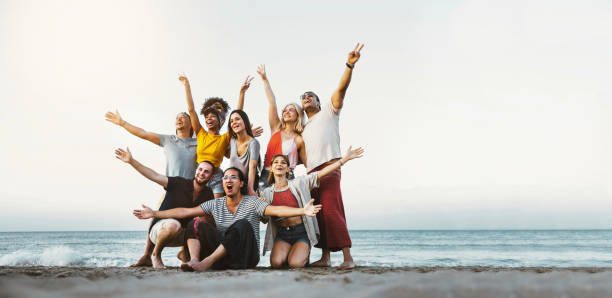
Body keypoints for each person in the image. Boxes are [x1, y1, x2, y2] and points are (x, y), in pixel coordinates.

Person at [133, 167, 321, 272]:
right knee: (195, 221)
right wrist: (155, 214)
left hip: (246, 257)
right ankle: (196, 260)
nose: (228, 180)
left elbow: (276, 210)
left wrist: (303, 211)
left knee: (242, 224)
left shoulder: (252, 202)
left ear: (240, 183)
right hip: (224, 258)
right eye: (225, 178)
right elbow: (185, 211)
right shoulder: (216, 203)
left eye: (233, 177)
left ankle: (206, 263)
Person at [105, 110, 197, 267]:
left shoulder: (199, 143)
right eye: (177, 117)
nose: (179, 118)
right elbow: (144, 133)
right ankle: (148, 255)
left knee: (190, 222)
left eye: (183, 117)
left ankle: (185, 254)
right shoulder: (168, 140)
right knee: (156, 215)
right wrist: (122, 123)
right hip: (170, 187)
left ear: (191, 124)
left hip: (192, 190)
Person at [301, 43, 364, 269]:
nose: (306, 98)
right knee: (319, 214)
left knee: (332, 211)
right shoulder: (304, 129)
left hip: (330, 166)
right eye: (303, 97)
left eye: (311, 96)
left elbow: (341, 89)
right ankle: (326, 258)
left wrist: (349, 65)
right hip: (311, 174)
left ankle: (348, 259)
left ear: (318, 102)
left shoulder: (329, 111)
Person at [260, 146, 363, 269]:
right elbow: (265, 220)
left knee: (295, 264)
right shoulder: (266, 192)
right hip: (282, 234)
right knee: (276, 263)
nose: (279, 164)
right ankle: (291, 253)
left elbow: (321, 173)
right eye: (276, 162)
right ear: (271, 168)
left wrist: (344, 160)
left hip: (301, 232)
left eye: (283, 163)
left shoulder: (299, 183)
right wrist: (263, 210)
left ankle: (301, 253)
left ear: (288, 169)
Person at [115, 147, 215, 268]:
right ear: (196, 170)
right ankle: (155, 255)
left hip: (182, 235)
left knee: (202, 227)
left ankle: (186, 257)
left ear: (211, 177)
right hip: (160, 230)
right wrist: (132, 161)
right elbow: (154, 175)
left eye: (206, 172)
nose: (202, 173)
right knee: (174, 225)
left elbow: (205, 220)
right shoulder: (179, 183)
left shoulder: (208, 193)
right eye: (200, 169)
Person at [180, 75, 261, 198]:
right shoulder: (201, 133)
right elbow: (191, 110)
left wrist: (242, 93)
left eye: (212, 116)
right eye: (207, 117)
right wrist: (187, 85)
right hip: (200, 172)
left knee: (217, 206)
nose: (209, 119)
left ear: (221, 121)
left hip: (216, 176)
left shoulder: (224, 138)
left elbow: (237, 113)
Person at [255, 65, 307, 188]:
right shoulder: (276, 128)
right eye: (285, 110)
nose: (286, 112)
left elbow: (307, 164)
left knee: (286, 206)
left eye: (291, 110)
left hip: (287, 177)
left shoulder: (299, 139)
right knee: (263, 206)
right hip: (266, 175)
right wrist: (264, 79)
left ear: (298, 115)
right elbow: (272, 102)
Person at [227, 109, 261, 196]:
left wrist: (250, 189)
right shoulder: (232, 141)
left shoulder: (254, 143)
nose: (234, 122)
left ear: (245, 121)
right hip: (231, 182)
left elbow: (252, 166)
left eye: (237, 119)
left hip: (247, 182)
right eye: (231, 121)